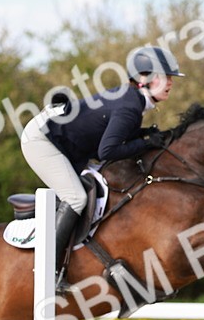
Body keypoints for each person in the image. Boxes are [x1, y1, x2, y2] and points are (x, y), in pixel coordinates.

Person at [20, 45, 185, 289]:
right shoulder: (131, 106)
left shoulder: (132, 101)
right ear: (144, 79)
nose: (170, 83)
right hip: (42, 139)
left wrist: (144, 136)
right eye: (165, 77)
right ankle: (49, 271)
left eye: (171, 78)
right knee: (76, 197)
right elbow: (106, 151)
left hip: (63, 139)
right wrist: (145, 142)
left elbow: (112, 136)